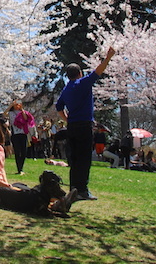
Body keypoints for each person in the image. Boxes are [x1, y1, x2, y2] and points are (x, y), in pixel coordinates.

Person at [56, 46, 115, 201]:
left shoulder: (66, 90)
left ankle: (73, 189)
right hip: (84, 126)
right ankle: (82, 190)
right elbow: (98, 71)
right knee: (84, 159)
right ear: (80, 73)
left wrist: (67, 119)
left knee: (74, 159)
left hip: (72, 127)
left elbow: (59, 107)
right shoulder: (83, 83)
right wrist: (108, 57)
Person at [7, 100, 34, 175]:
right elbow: (4, 114)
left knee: (24, 151)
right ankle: (19, 169)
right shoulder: (11, 113)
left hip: (23, 133)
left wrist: (22, 109)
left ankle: (21, 167)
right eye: (15, 105)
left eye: (18, 104)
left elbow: (25, 119)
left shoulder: (22, 112)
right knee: (17, 151)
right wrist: (10, 106)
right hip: (15, 134)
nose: (17, 106)